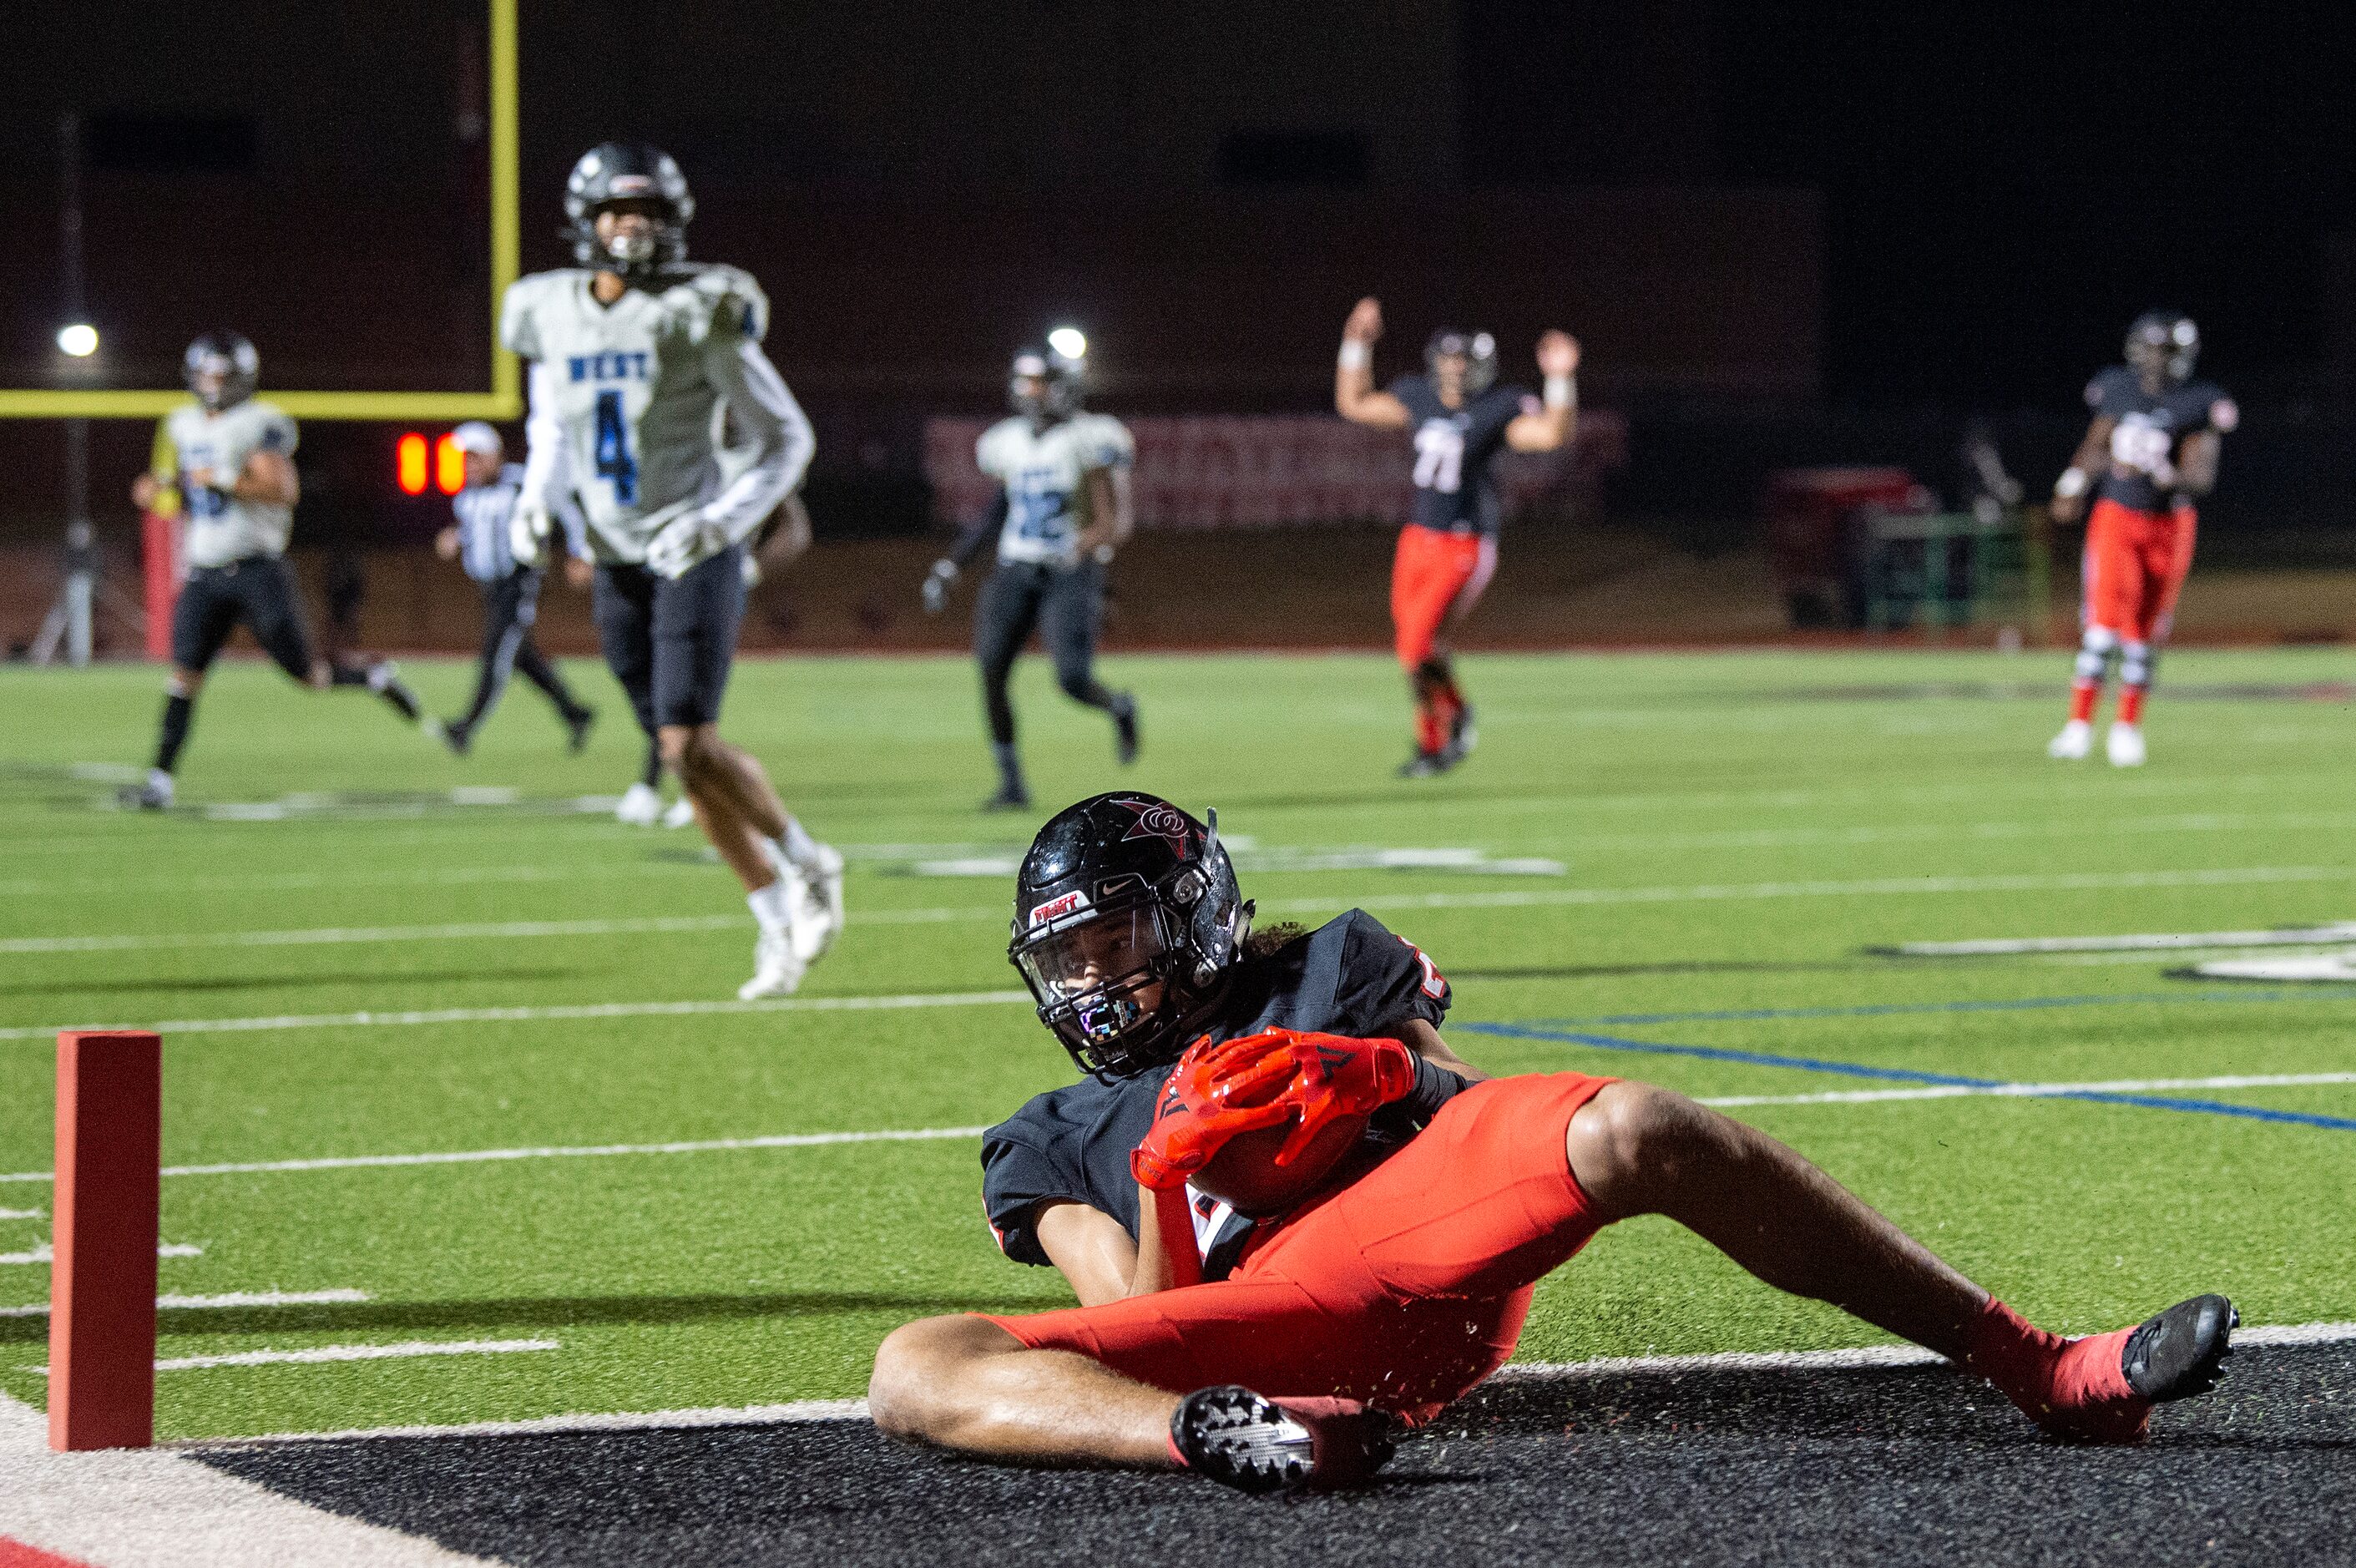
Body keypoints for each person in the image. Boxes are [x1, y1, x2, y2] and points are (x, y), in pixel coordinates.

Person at [867, 792, 2238, 1494]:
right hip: (1253, 1338)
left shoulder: (1331, 963)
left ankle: (2045, 1366)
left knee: (1637, 1121)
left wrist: (1377, 1066)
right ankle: (1238, 1441)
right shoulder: (1048, 1134)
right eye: (1069, 962)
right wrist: (1174, 1161)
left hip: (1407, 1248)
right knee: (912, 1364)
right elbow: (1145, 1312)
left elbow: (1468, 1111)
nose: (1096, 984)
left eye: (1117, 941)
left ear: (1195, 916)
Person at [501, 141, 840, 998]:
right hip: (615, 554)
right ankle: (771, 920)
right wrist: (536, 499)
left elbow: (785, 437)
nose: (634, 229)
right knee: (681, 757)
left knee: (688, 738)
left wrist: (718, 521)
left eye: (649, 215)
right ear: (586, 220)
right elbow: (550, 424)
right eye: (620, 212)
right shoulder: (548, 309)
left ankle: (807, 862)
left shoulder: (699, 309)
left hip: (692, 548)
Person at [123, 333, 428, 811]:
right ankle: (159, 781)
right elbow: (180, 495)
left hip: (257, 570)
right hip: (204, 570)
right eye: (206, 375)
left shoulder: (262, 421)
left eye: (222, 376)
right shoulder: (181, 424)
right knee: (184, 676)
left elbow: (283, 490)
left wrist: (222, 479)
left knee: (308, 677)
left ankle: (373, 679)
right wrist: (159, 493)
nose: (212, 384)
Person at [1334, 299, 1580, 776]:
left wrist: (1560, 379)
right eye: (1448, 359)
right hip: (1417, 538)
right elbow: (1354, 403)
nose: (1454, 368)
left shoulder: (1496, 407)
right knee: (1417, 648)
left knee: (1416, 644)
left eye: (1464, 360)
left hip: (1465, 543)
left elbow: (1551, 434)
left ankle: (1454, 722)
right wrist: (1356, 346)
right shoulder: (1418, 397)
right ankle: (1437, 739)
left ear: (1481, 366)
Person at [921, 337, 1139, 812]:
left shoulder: (1091, 439)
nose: (1029, 391)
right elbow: (1000, 508)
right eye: (1025, 382)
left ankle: (1118, 706)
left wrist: (1086, 550)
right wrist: (953, 563)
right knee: (992, 671)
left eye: (1039, 382)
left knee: (1072, 680)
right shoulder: (1007, 442)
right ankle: (1011, 783)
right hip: (1014, 569)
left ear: (1064, 386)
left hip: (1068, 573)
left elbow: (1113, 518)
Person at [2047, 313, 2237, 768]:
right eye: (2154, 350)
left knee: (2145, 633)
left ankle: (2127, 728)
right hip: (2117, 514)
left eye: (2169, 353)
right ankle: (2078, 726)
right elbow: (2097, 443)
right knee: (2104, 625)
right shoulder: (2117, 388)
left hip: (2171, 525)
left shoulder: (2200, 401)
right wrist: (2073, 481)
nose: (2160, 361)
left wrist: (2166, 474)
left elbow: (2202, 477)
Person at [433, 422, 598, 756]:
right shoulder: (467, 494)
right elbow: (474, 530)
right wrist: (455, 538)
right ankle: (576, 714)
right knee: (523, 659)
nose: (470, 465)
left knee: (496, 654)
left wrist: (579, 551)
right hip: (488, 587)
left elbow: (566, 509)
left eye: (476, 457)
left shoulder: (522, 482)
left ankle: (466, 726)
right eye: (466, 459)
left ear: (494, 455)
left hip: (517, 582)